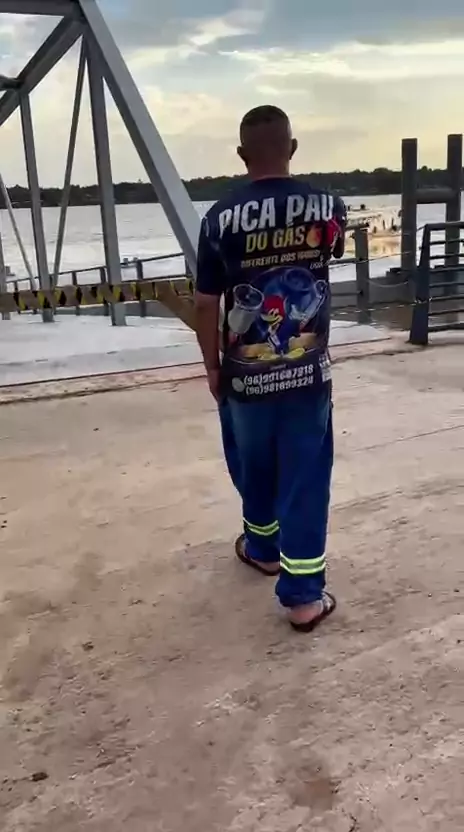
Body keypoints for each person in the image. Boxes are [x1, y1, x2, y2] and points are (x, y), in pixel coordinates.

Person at [194, 105, 346, 632]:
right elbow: (330, 253)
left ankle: (262, 549)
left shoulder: (218, 218)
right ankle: (303, 596)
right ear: (292, 148)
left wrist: (212, 368)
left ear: (241, 155)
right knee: (305, 475)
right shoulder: (329, 206)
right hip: (307, 372)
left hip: (244, 373)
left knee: (253, 462)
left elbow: (205, 303)